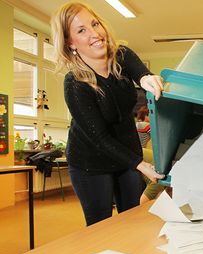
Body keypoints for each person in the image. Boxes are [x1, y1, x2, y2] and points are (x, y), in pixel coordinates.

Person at [51, 2, 164, 225]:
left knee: (132, 219)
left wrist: (147, 79)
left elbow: (141, 73)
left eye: (95, 24)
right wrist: (141, 165)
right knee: (100, 225)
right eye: (82, 30)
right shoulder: (75, 83)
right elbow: (99, 138)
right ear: (70, 43)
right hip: (90, 162)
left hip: (126, 154)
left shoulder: (121, 55)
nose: (95, 34)